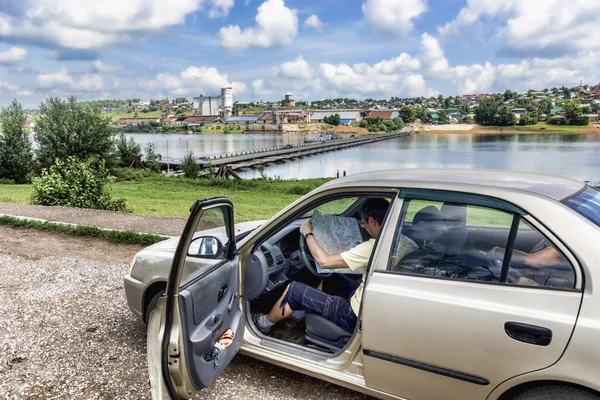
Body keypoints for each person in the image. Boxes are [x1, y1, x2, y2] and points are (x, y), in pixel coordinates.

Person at [255, 198, 416, 334]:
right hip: (372, 301)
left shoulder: (374, 247)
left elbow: (324, 262)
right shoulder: (407, 242)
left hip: (354, 314)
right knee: (332, 278)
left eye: (364, 223)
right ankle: (296, 317)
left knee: (294, 290)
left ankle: (263, 324)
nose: (364, 226)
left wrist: (307, 233)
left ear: (372, 221)